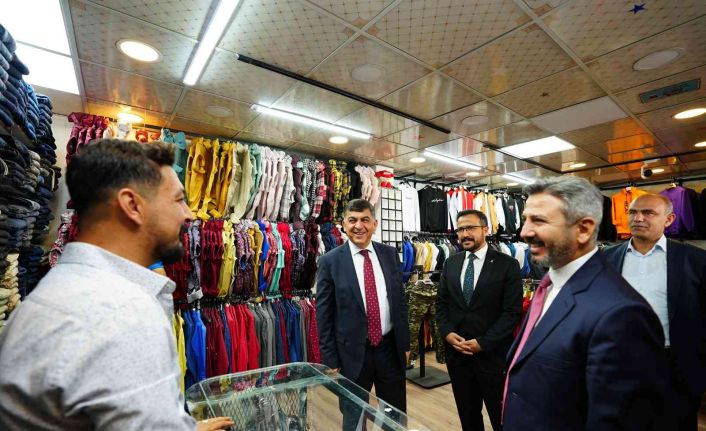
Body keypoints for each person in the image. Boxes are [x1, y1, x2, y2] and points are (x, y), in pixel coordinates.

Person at [0, 139, 233, 430]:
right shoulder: (124, 315)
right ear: (132, 205)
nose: (188, 214)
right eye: (178, 199)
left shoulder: (55, 293)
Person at [503, 176, 668, 431]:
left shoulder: (621, 314)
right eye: (525, 219)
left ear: (584, 229)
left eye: (539, 220)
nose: (524, 232)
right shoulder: (550, 285)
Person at [603, 193, 706, 431]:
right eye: (633, 212)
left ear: (668, 220)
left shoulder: (695, 260)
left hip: (675, 365)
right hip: (618, 362)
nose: (638, 218)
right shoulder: (605, 258)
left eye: (648, 213)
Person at [316, 198, 410, 428]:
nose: (359, 226)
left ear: (374, 224)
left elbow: (399, 302)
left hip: (390, 350)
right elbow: (324, 314)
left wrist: (405, 344)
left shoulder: (389, 254)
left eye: (365, 220)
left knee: (394, 415)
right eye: (353, 220)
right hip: (351, 354)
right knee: (354, 417)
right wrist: (330, 359)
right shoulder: (330, 261)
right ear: (344, 225)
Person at [435, 209, 522, 431]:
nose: (464, 234)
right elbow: (441, 304)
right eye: (460, 229)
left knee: (501, 418)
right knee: (468, 417)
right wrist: (447, 333)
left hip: (492, 357)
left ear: (485, 229)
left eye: (470, 228)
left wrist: (483, 342)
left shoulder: (507, 264)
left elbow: (511, 312)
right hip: (458, 358)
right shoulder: (451, 263)